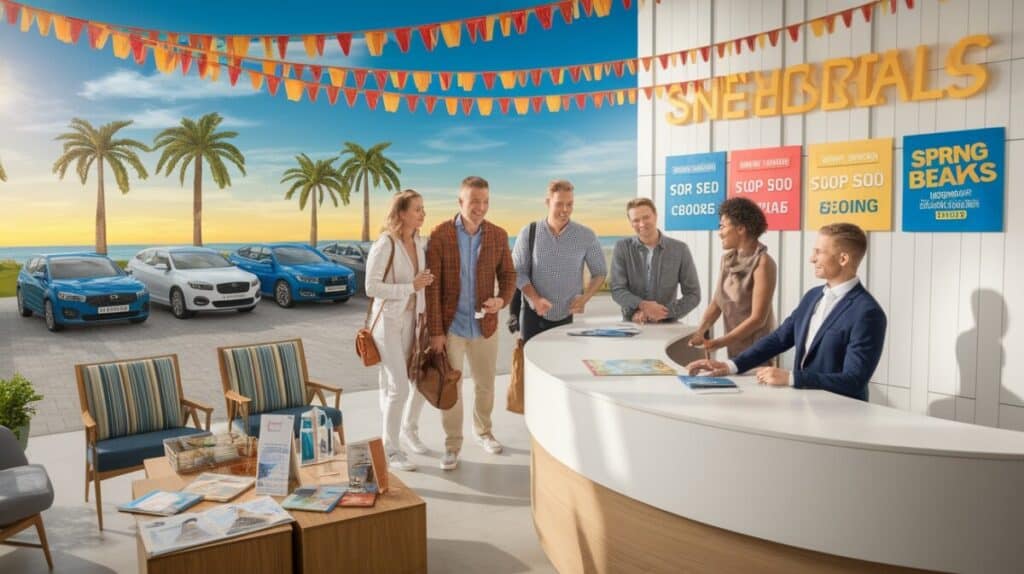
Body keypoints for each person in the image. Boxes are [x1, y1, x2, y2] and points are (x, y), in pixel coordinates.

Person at [686, 223, 886, 402]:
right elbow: (779, 339)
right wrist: (729, 366)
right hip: (807, 407)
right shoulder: (813, 296)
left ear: (843, 259)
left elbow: (854, 380)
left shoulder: (867, 312)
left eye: (819, 252)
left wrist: (791, 377)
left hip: (843, 413)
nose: (811, 258)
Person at [424, 176, 517, 471]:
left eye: (485, 201)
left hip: (484, 327)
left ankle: (484, 432)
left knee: (485, 385)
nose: (480, 207)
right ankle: (452, 445)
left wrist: (501, 301)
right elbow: (432, 290)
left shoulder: (498, 235)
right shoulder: (439, 235)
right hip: (451, 328)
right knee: (450, 388)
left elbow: (509, 276)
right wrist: (436, 332)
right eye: (474, 201)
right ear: (460, 201)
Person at [365, 190, 434, 472]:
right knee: (399, 388)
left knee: (394, 384)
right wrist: (411, 287)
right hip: (387, 326)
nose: (422, 213)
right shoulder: (385, 243)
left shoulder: (418, 243)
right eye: (417, 209)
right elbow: (371, 287)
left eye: (423, 209)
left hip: (410, 323)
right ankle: (390, 450)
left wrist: (424, 308)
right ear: (402, 213)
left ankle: (394, 437)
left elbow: (421, 284)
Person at [513, 179, 607, 342]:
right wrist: (536, 299)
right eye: (559, 204)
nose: (565, 210)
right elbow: (518, 272)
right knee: (531, 365)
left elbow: (600, 272)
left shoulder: (586, 235)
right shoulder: (528, 232)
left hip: (569, 316)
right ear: (548, 202)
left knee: (564, 364)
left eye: (569, 204)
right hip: (533, 315)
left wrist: (585, 298)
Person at [690, 197, 777, 359]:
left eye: (722, 226)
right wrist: (700, 332)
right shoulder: (727, 259)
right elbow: (717, 301)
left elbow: (758, 319)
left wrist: (721, 342)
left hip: (758, 349)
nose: (719, 232)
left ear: (741, 229)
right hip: (734, 346)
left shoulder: (763, 262)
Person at [609, 197, 700, 323]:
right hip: (632, 324)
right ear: (630, 223)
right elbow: (617, 289)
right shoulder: (622, 248)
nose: (641, 224)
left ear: (655, 216)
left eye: (646, 217)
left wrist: (664, 313)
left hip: (668, 325)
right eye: (636, 220)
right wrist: (642, 306)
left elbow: (693, 294)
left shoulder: (680, 249)